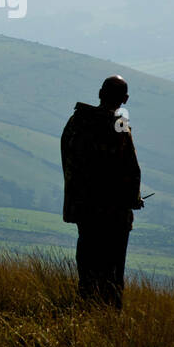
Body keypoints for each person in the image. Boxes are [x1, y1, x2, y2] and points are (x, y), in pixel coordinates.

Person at [60, 75, 143, 309]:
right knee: (113, 269)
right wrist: (134, 199)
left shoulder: (77, 121)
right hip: (114, 213)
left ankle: (85, 305)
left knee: (87, 262)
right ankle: (109, 314)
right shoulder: (120, 125)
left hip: (85, 209)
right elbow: (131, 168)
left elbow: (68, 157)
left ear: (99, 93)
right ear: (124, 99)